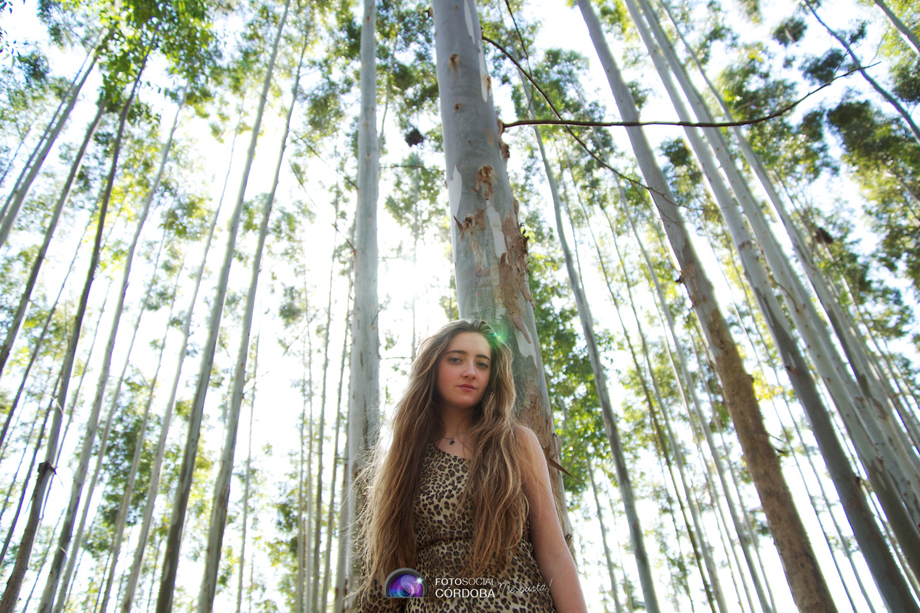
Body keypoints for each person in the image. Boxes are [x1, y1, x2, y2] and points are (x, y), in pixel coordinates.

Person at [354, 319, 588, 613]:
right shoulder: (405, 458)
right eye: (456, 359)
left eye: (482, 364)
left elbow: (554, 553)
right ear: (433, 367)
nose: (470, 372)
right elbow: (389, 570)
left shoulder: (515, 443)